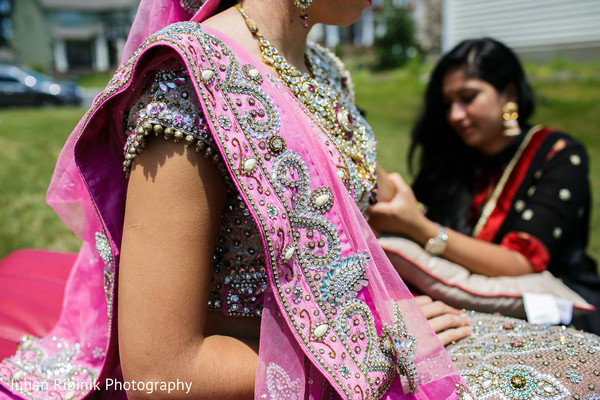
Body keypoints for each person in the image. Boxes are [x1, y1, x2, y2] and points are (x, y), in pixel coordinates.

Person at [0, 3, 598, 399]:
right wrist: (378, 347)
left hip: (371, 337)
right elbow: (161, 372)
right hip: (281, 375)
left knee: (578, 360)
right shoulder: (191, 78)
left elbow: (328, 198)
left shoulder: (325, 69)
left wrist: (411, 236)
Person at [368, 38, 600, 334]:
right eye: (448, 103)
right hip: (463, 306)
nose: (455, 115)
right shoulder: (450, 157)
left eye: (468, 97)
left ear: (509, 94)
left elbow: (521, 262)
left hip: (554, 307)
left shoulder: (558, 154)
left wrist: (422, 229)